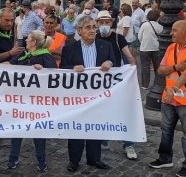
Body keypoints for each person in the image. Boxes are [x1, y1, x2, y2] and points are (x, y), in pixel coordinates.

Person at [61, 15, 116, 172]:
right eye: (88, 27)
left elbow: (115, 63)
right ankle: (74, 161)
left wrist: (109, 63)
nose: (92, 30)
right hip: (77, 97)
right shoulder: (69, 48)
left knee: (96, 127)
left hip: (99, 96)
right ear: (79, 30)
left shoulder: (105, 46)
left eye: (94, 27)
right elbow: (62, 69)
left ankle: (94, 159)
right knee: (76, 128)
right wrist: (72, 68)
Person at [149, 20, 186, 177]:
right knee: (166, 130)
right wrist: (176, 67)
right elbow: (160, 70)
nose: (171, 33)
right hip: (169, 99)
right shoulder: (171, 47)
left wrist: (174, 89)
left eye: (175, 30)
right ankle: (165, 158)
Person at [7, 30, 57, 172]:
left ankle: (41, 159)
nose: (26, 40)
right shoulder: (23, 55)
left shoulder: (46, 57)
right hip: (20, 101)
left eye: (28, 38)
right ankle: (13, 157)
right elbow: (9, 66)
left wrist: (43, 71)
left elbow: (54, 77)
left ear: (34, 42)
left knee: (38, 132)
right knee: (17, 130)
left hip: (37, 103)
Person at [95, 10, 137, 159]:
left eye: (107, 22)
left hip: (117, 81)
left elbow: (129, 56)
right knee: (102, 111)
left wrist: (132, 72)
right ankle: (103, 140)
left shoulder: (118, 38)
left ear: (111, 23)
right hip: (99, 82)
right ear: (97, 24)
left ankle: (129, 144)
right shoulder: (93, 37)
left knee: (122, 112)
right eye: (101, 22)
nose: (104, 25)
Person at [138, 10, 163, 89]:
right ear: (158, 17)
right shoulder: (160, 26)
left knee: (145, 67)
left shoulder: (144, 25)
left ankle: (145, 85)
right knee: (157, 67)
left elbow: (139, 36)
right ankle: (157, 84)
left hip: (145, 48)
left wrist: (143, 42)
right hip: (156, 48)